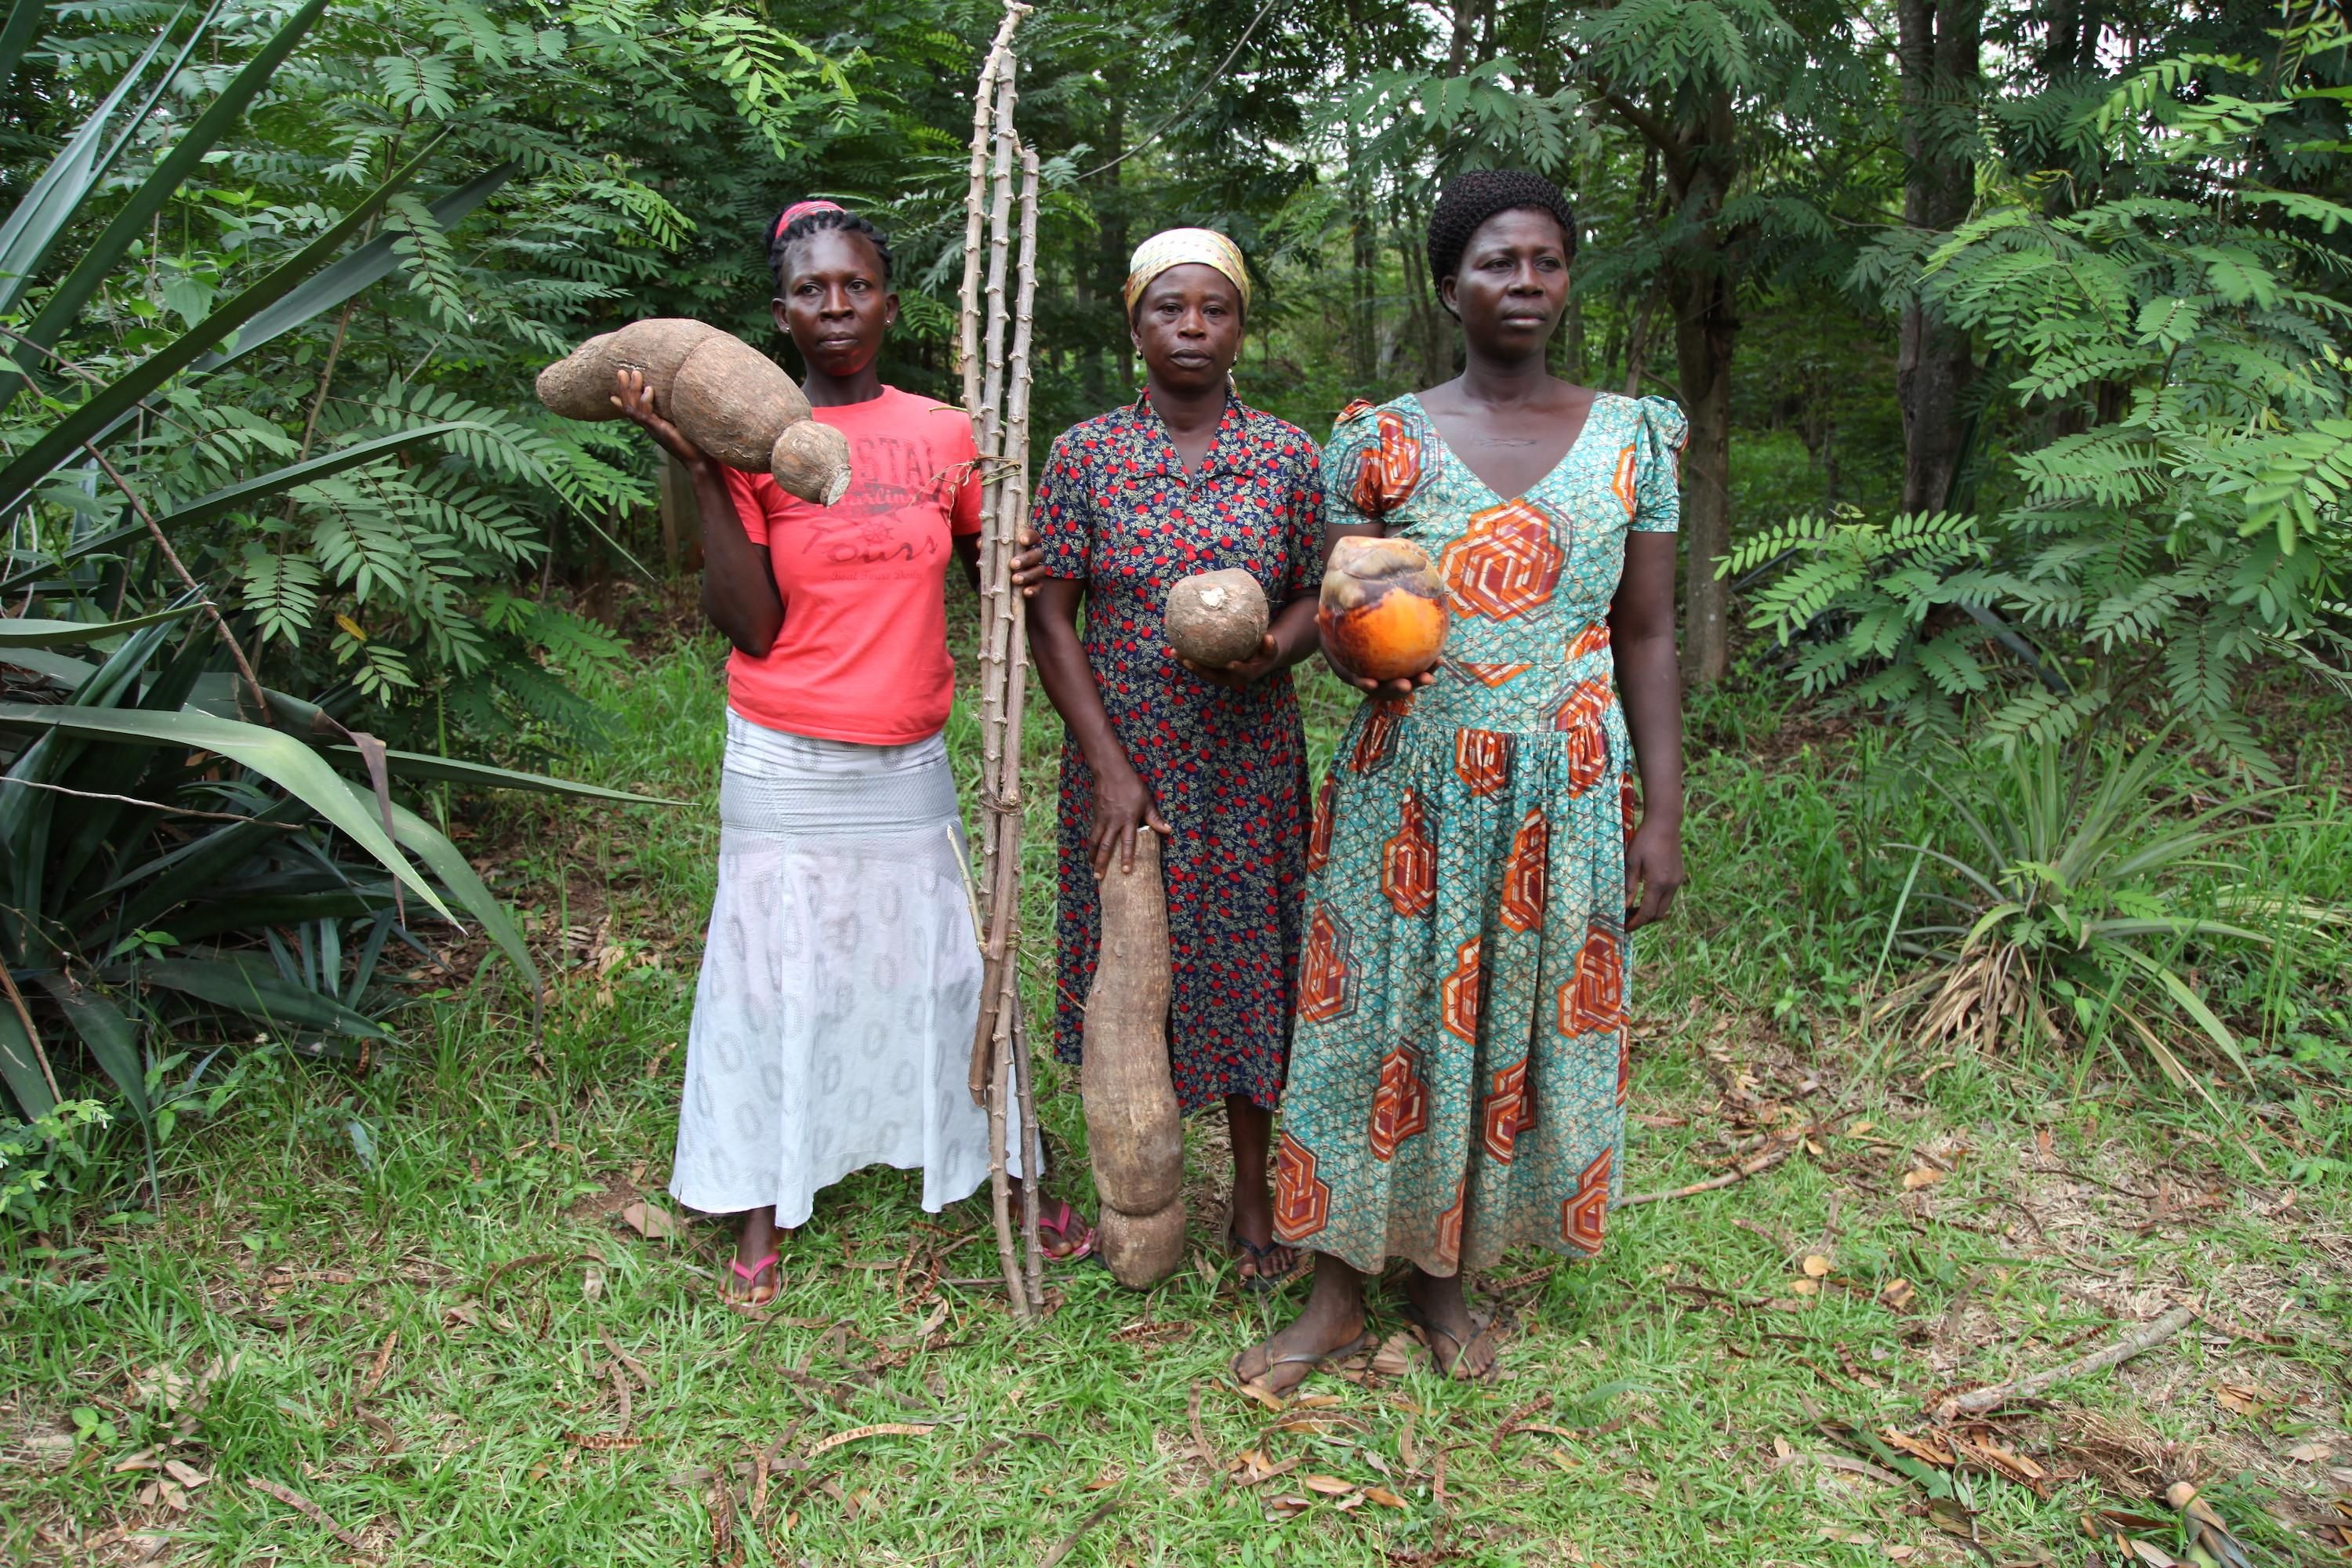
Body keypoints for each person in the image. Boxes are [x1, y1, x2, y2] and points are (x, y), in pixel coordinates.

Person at [1233, 170, 1690, 1388]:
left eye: (1545, 260)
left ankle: (1448, 1285)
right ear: (1451, 285)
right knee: (1369, 1024)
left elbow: (1645, 634)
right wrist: (1351, 658)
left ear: (1567, 278)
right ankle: (1334, 1295)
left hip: (1566, 787)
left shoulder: (1634, 438)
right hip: (1413, 781)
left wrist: (1664, 816)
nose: (1524, 283)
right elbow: (1350, 614)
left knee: (1502, 1030)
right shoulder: (1381, 438)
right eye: (1498, 262)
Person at [615, 199, 1084, 1306]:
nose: (837, 306)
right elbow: (752, 626)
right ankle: (760, 1199)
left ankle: (1003, 1169)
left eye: (856, 286)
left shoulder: (942, 433)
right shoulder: (748, 446)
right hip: (784, 754)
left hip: (908, 754)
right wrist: (696, 469)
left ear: (889, 300)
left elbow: (994, 569)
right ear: (781, 317)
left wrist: (1020, 568)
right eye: (812, 291)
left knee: (944, 969)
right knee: (774, 979)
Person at [1025, 228, 1327, 1289]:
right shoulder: (1087, 455)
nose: (1192, 328)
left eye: (1214, 309)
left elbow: (1319, 596)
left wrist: (1273, 650)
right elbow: (1051, 616)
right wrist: (1109, 763)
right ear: (1135, 321)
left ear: (1241, 325)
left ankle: (1252, 1197)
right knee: (1132, 975)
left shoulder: (1287, 455)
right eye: (1170, 308)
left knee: (1248, 969)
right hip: (1127, 762)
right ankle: (1141, 1192)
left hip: (1246, 759)